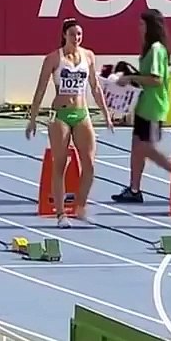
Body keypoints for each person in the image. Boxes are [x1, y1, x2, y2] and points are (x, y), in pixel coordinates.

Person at [25, 19, 114, 227]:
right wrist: (32, 119)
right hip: (60, 115)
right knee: (59, 165)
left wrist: (106, 114)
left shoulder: (88, 56)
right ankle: (60, 214)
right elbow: (40, 89)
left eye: (79, 34)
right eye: (73, 34)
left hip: (82, 113)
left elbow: (95, 87)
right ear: (64, 35)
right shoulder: (53, 58)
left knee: (89, 165)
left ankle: (80, 207)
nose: (77, 38)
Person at [112, 9, 171, 203]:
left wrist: (131, 77)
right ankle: (134, 188)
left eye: (142, 24)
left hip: (153, 106)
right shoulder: (149, 49)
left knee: (147, 148)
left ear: (150, 26)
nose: (139, 28)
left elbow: (156, 79)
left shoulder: (156, 49)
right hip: (143, 105)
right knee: (137, 146)